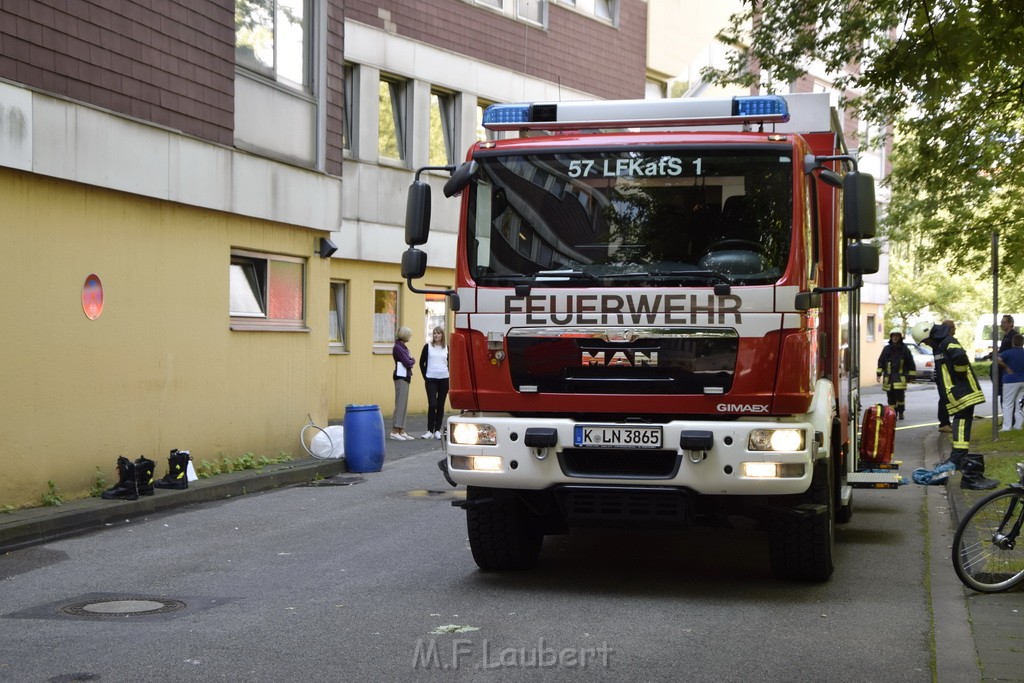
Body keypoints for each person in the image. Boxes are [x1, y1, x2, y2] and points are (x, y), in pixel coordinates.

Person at [926, 322, 998, 489]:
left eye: (926, 341)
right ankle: (959, 458)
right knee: (961, 421)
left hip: (962, 392)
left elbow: (960, 357)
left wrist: (958, 373)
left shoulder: (947, 342)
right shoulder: (942, 344)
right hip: (959, 392)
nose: (927, 344)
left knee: (961, 421)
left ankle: (958, 457)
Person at [876, 329, 915, 420]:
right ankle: (893, 414)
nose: (895, 337)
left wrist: (911, 376)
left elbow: (910, 363)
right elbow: (881, 361)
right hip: (888, 379)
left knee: (900, 398)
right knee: (890, 398)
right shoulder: (886, 349)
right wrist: (878, 374)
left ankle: (901, 412)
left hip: (900, 378)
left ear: (900, 337)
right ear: (891, 337)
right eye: (893, 335)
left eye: (897, 335)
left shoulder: (905, 349)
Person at [419, 327, 450, 439]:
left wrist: (449, 375)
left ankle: (437, 430)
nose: (436, 335)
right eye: (434, 333)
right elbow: (421, 362)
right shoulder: (428, 347)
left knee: (440, 404)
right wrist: (425, 376)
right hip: (431, 378)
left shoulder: (446, 348)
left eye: (438, 333)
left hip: (444, 378)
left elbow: (450, 363)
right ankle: (429, 430)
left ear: (442, 335)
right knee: (432, 404)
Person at [391, 326, 416, 441]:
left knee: (404, 404)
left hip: (405, 377)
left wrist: (410, 360)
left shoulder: (402, 347)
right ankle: (395, 430)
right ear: (405, 335)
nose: (410, 337)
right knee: (400, 404)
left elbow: (407, 360)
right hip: (400, 377)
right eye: (409, 335)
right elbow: (407, 362)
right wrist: (413, 360)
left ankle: (401, 429)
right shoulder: (398, 348)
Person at [997, 333, 1024, 430]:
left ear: (1013, 342)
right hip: (1023, 381)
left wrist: (1007, 368)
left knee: (1008, 404)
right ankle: (1018, 426)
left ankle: (1007, 427)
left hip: (1010, 380)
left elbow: (998, 359)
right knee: (1019, 404)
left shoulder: (1008, 353)